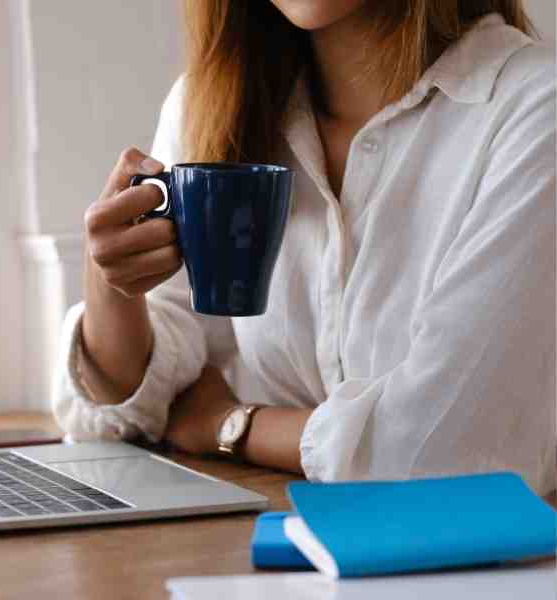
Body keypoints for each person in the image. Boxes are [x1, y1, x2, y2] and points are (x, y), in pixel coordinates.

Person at [53, 0, 556, 494]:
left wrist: (231, 425)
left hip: (501, 567)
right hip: (288, 543)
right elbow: (132, 414)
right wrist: (112, 286)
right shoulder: (211, 106)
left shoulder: (536, 108)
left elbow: (450, 455)